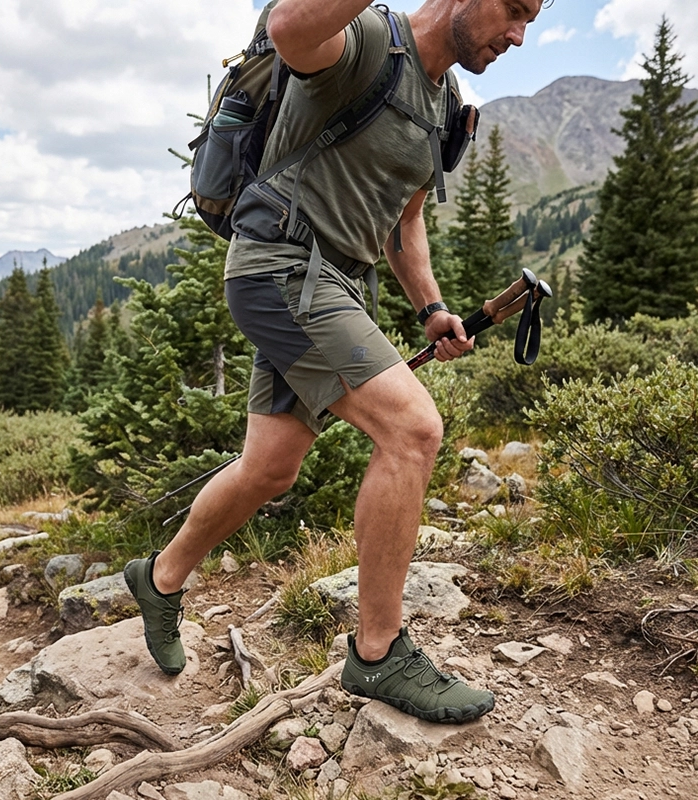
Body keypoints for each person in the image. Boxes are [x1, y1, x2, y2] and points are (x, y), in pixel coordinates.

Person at [125, 0, 542, 724]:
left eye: (530, 20)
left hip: (337, 284)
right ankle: (377, 653)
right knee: (413, 430)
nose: (518, 35)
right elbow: (290, 29)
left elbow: (405, 221)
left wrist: (431, 308)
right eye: (514, 9)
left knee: (269, 468)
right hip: (280, 267)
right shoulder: (369, 42)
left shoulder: (444, 104)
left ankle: (159, 579)